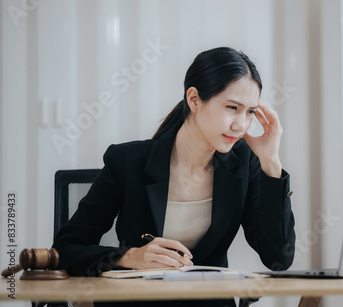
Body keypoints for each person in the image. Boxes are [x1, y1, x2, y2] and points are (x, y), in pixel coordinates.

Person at [52, 47, 296, 307]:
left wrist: (270, 162)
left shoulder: (246, 164)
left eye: (249, 112)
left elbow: (277, 257)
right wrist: (130, 257)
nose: (241, 125)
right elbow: (66, 250)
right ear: (194, 99)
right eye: (232, 107)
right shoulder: (128, 161)